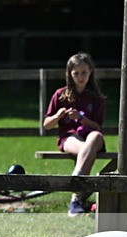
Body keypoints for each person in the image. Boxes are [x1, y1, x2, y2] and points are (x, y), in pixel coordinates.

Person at [43, 52, 106, 216]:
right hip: (70, 138)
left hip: (91, 137)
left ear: (90, 72)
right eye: (76, 73)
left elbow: (97, 127)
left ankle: (75, 178)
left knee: (95, 137)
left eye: (84, 72)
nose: (80, 77)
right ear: (69, 74)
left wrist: (81, 118)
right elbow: (47, 125)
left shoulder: (97, 98)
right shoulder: (60, 95)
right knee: (86, 149)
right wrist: (58, 116)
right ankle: (77, 196)